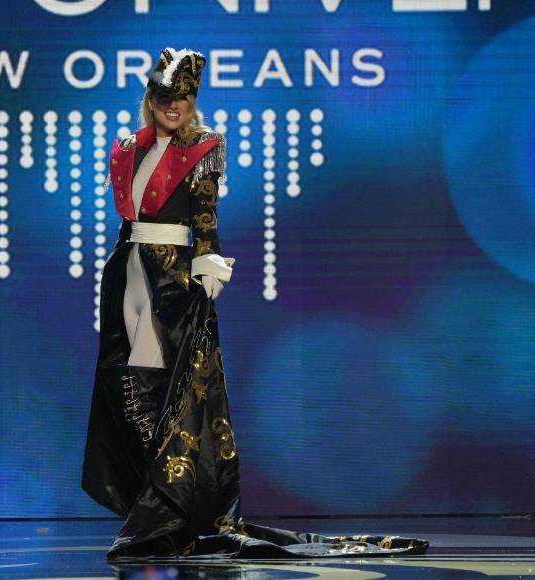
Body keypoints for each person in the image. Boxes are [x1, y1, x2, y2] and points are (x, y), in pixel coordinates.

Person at [81, 46, 430, 562]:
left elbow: (205, 215)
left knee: (166, 388)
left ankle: (169, 509)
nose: (174, 105)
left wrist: (207, 265)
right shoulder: (129, 146)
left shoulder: (203, 146)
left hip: (171, 279)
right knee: (126, 383)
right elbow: (129, 217)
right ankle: (156, 501)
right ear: (150, 98)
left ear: (193, 100)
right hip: (128, 272)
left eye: (183, 97)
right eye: (165, 96)